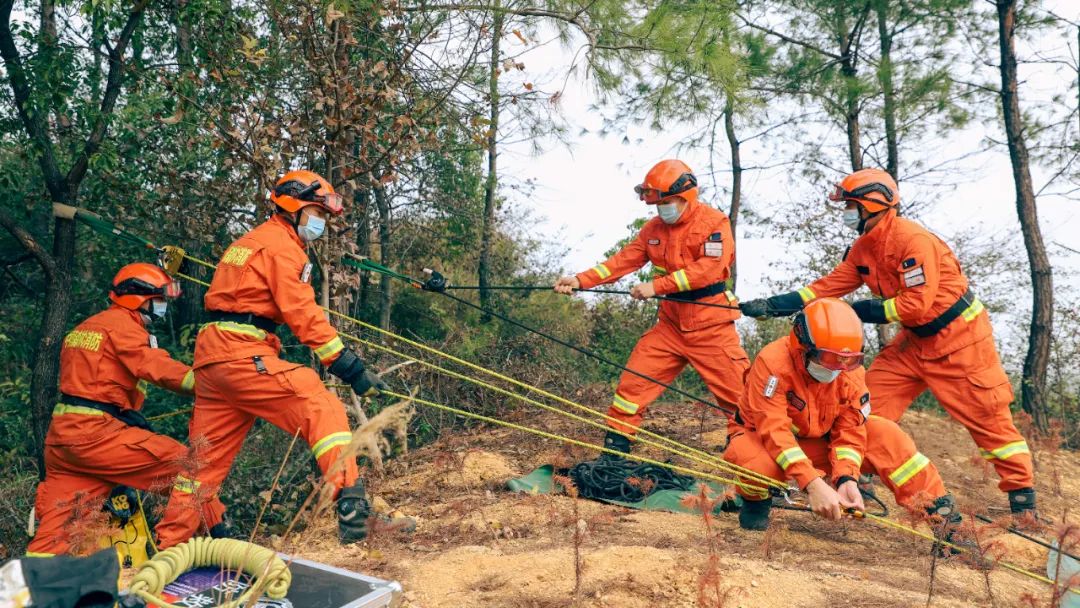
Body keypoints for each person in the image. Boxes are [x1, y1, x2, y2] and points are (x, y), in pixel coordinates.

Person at [739, 168, 1036, 515]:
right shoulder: (864, 248)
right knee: (865, 409)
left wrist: (863, 311)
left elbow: (917, 302)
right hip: (914, 342)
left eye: (851, 205)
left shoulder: (913, 241)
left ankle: (1023, 502)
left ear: (871, 204)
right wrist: (778, 304)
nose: (846, 212)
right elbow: (830, 285)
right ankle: (849, 478)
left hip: (961, 340)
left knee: (988, 417)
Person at [156, 170, 390, 548]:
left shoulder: (246, 243)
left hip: (213, 361)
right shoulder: (282, 247)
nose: (322, 224)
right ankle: (353, 510)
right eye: (318, 213)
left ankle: (169, 550)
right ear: (294, 206)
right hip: (241, 353)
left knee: (200, 466)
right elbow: (302, 313)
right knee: (319, 401)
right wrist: (349, 367)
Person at [27, 263, 226, 556]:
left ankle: (30, 589)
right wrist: (210, 383)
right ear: (140, 298)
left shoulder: (84, 329)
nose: (162, 306)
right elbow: (154, 366)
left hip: (64, 441)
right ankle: (224, 547)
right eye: (159, 299)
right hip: (97, 435)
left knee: (59, 531)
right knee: (190, 467)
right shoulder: (123, 326)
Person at [553, 160, 748, 456]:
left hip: (711, 327)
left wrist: (657, 287)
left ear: (686, 197)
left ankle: (747, 455)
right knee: (631, 388)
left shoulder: (714, 224)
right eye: (658, 203)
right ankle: (615, 452)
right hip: (670, 327)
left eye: (667, 202)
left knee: (741, 400)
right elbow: (621, 262)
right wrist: (581, 280)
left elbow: (708, 270)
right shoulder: (653, 230)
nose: (662, 209)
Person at [726, 298, 962, 532]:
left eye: (847, 360)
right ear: (803, 345)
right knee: (753, 461)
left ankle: (945, 522)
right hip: (764, 440)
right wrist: (812, 483)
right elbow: (774, 431)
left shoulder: (850, 372)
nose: (837, 368)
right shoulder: (773, 364)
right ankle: (755, 503)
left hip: (819, 443)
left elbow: (850, 430)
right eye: (829, 358)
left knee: (888, 435)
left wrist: (846, 478)